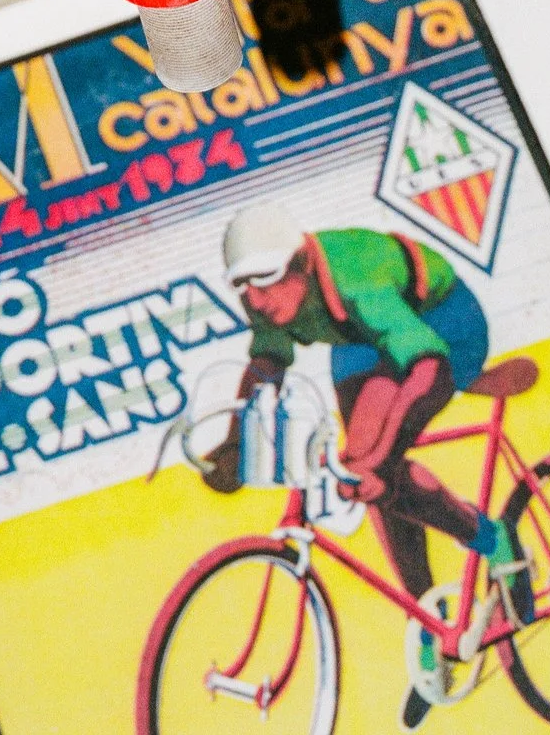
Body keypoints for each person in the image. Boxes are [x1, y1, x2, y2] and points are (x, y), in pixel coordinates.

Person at [203, 201, 524, 729]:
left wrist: (380, 457)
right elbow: (267, 363)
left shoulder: (357, 282)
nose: (257, 300)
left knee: (374, 466)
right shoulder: (266, 293)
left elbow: (429, 364)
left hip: (439, 324)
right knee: (367, 476)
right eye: (245, 287)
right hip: (358, 339)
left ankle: (497, 543)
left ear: (303, 265)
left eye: (267, 283)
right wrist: (234, 445)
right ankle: (430, 625)